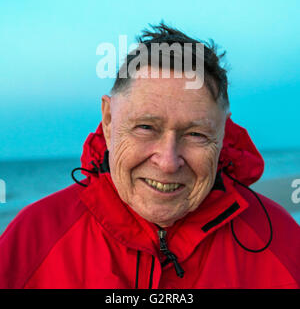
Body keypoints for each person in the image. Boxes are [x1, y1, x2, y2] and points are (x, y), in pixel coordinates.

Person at [0, 23, 299, 289]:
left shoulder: (282, 243)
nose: (168, 162)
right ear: (108, 121)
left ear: (222, 134)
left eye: (195, 134)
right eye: (146, 127)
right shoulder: (31, 241)